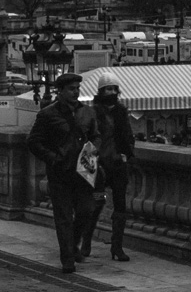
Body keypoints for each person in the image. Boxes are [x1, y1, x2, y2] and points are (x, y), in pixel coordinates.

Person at [27, 72, 100, 274]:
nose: (76, 92)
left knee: (87, 210)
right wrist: (53, 158)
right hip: (60, 172)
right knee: (64, 217)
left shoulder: (87, 112)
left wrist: (92, 155)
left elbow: (96, 136)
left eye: (78, 88)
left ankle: (74, 243)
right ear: (60, 91)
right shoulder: (47, 115)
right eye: (71, 89)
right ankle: (67, 258)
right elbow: (33, 142)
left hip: (84, 171)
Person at [81, 70, 134, 262]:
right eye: (107, 89)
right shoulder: (93, 113)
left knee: (120, 207)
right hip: (100, 169)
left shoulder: (121, 112)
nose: (111, 92)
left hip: (118, 167)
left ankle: (117, 247)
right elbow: (88, 142)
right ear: (100, 92)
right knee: (97, 202)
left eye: (113, 89)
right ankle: (86, 242)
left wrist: (126, 154)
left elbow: (128, 138)